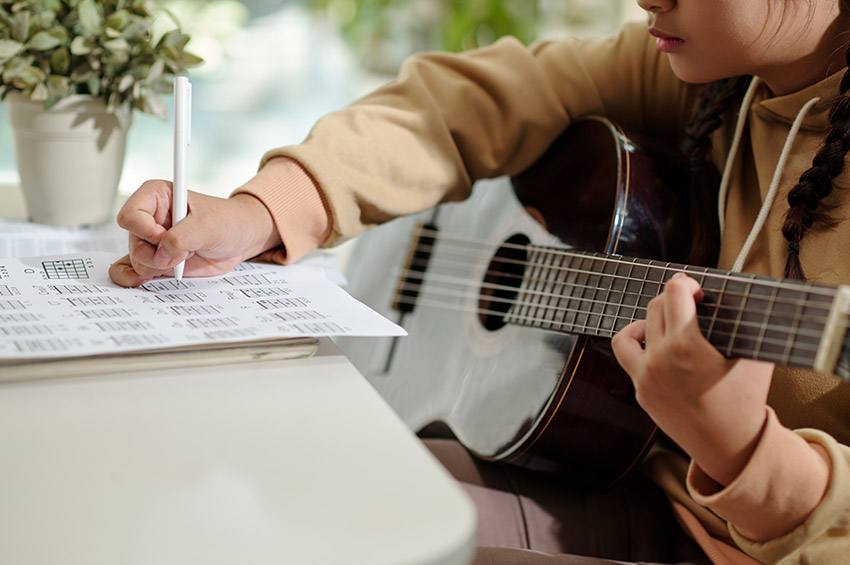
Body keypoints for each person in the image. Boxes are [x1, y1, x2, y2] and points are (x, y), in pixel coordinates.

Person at [109, 0, 850, 563]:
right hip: (621, 474)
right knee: (260, 468)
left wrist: (746, 451)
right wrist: (264, 209)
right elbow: (466, 104)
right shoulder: (722, 79)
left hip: (742, 545)